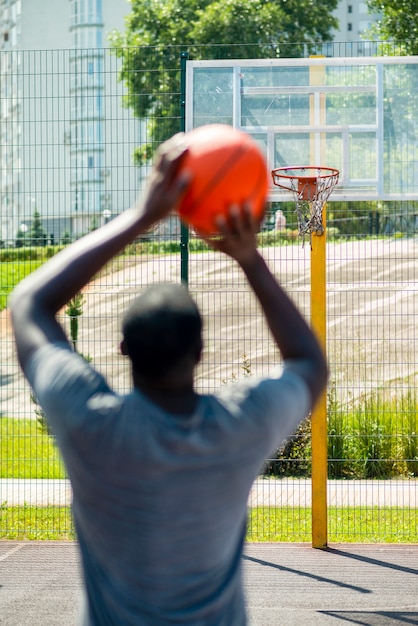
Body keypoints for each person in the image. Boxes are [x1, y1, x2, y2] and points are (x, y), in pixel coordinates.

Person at [10, 134, 328, 626]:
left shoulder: (90, 425)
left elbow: (28, 303)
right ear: (200, 354)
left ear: (123, 350)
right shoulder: (237, 427)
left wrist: (142, 215)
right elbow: (310, 365)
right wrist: (247, 257)